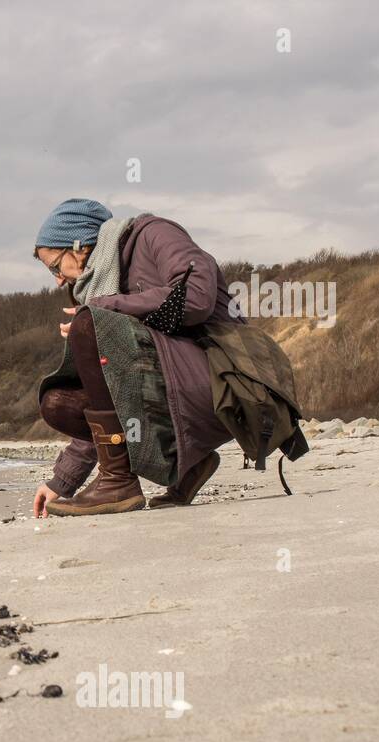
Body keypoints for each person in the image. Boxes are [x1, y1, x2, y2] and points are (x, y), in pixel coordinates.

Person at [31, 198, 243, 516]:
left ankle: (118, 483)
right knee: (58, 403)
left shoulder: (154, 233)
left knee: (91, 321)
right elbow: (106, 395)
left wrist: (106, 309)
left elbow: (196, 296)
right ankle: (189, 465)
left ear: (76, 246)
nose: (58, 280)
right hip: (175, 386)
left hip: (225, 379)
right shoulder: (100, 284)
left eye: (54, 267)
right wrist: (62, 481)